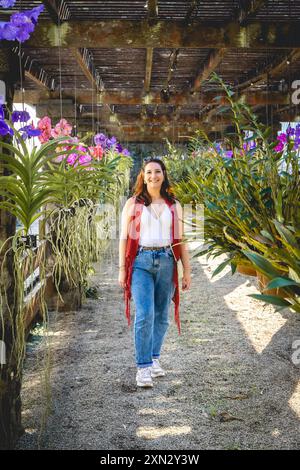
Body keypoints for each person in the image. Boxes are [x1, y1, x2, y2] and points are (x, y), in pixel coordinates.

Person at [118, 157, 191, 388]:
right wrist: (122, 269)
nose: (153, 176)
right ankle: (142, 367)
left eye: (157, 172)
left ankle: (154, 358)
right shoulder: (133, 203)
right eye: (149, 172)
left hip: (167, 261)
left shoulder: (174, 205)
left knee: (161, 316)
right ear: (143, 175)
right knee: (145, 313)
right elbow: (123, 238)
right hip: (141, 262)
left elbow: (181, 241)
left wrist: (186, 271)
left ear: (164, 174)